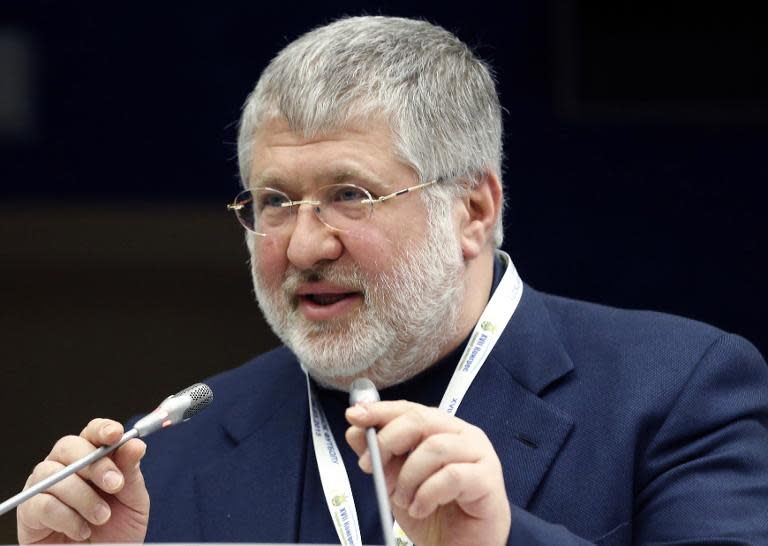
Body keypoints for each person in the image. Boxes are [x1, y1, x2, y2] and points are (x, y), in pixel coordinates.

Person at [16, 16, 768, 546]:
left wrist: (500, 542)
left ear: (474, 210)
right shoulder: (176, 458)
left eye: (350, 194)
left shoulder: (676, 393)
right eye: (274, 202)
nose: (305, 243)